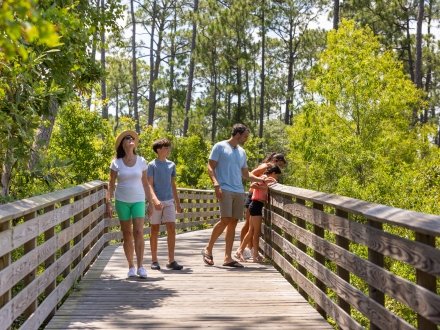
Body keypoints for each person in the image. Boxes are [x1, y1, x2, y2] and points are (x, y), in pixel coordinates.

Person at [201, 123, 276, 268]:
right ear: (237, 134)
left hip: (239, 190)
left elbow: (245, 174)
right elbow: (210, 166)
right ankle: (208, 248)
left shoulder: (242, 152)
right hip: (225, 188)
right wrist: (216, 184)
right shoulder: (220, 146)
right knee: (225, 220)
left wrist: (261, 179)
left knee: (233, 222)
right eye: (245, 136)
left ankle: (227, 257)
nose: (246, 139)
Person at [106, 130, 150, 278]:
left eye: (132, 138)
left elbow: (145, 183)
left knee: (138, 232)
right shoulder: (116, 163)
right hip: (122, 201)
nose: (130, 139)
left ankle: (141, 266)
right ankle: (131, 266)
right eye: (127, 138)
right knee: (127, 234)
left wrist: (151, 202)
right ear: (122, 144)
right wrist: (108, 203)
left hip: (138, 200)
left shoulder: (142, 161)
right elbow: (111, 184)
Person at [239, 153, 287, 259]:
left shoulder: (268, 171)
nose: (281, 167)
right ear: (276, 160)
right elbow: (250, 175)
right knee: (250, 227)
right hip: (253, 198)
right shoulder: (265, 167)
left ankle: (248, 250)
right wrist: (261, 184)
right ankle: (244, 250)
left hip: (255, 199)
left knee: (251, 228)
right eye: (281, 164)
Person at [147, 138, 183, 271]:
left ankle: (171, 260)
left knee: (172, 229)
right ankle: (154, 260)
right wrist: (154, 200)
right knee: (155, 229)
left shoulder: (171, 165)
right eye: (165, 147)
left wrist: (177, 203)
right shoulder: (152, 165)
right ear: (158, 150)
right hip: (156, 201)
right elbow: (149, 184)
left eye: (168, 147)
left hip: (169, 201)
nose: (168, 150)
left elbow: (173, 185)